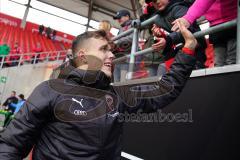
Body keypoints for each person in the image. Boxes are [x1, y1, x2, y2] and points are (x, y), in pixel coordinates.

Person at [0, 21, 198, 159]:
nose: (112, 55)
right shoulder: (49, 90)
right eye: (104, 49)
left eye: (111, 50)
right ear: (83, 56)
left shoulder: (117, 95)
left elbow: (164, 90)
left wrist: (188, 49)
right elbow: (11, 146)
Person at [171, 0, 237, 66]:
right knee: (219, 63)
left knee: (232, 61)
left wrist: (188, 18)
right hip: (215, 27)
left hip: (233, 23)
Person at [150, 0, 207, 69]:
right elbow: (166, 39)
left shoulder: (179, 8)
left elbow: (187, 29)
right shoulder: (157, 19)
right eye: (153, 1)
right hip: (174, 55)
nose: (156, 2)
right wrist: (159, 35)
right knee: (163, 70)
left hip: (194, 51)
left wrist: (168, 40)